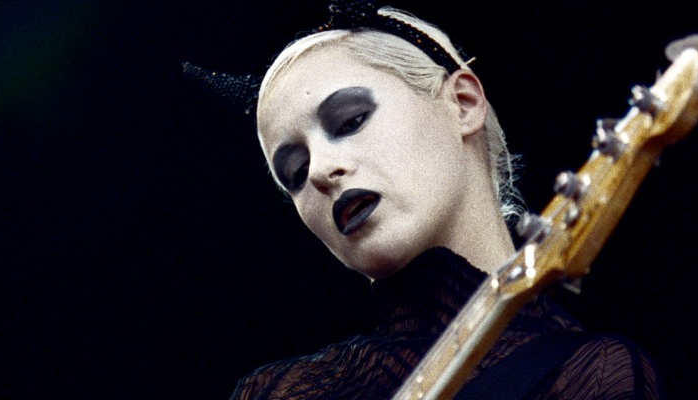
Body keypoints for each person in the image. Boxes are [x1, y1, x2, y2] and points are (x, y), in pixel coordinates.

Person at [190, 2, 661, 399]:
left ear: (463, 103)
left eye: (350, 121)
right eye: (294, 172)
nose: (318, 172)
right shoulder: (278, 392)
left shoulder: (591, 373)